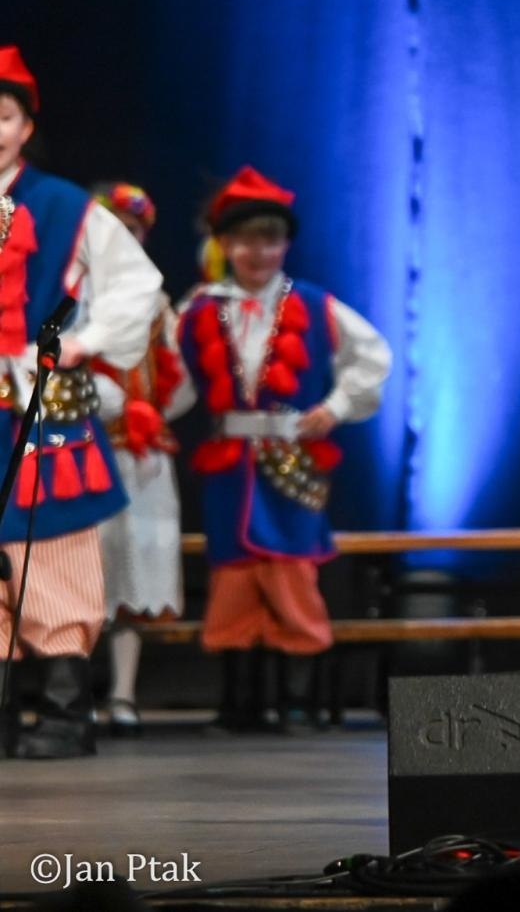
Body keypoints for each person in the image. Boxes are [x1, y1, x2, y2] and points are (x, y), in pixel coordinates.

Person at [175, 166, 390, 731]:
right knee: (234, 574)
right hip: (230, 465)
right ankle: (239, 700)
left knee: (291, 571)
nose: (258, 251)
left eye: (269, 238)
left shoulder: (316, 305)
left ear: (286, 243)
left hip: (293, 460)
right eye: (245, 238)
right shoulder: (198, 309)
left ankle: (294, 698)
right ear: (223, 243)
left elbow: (372, 358)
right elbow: (170, 381)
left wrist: (335, 409)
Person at [0, 47, 164, 759]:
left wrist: (78, 342)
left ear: (25, 125)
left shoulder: (67, 206)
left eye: (1, 116)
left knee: (57, 552)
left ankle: (69, 714)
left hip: (43, 407)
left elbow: (139, 286)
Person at [89, 183, 194, 737]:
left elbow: (179, 378)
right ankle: (73, 695)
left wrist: (148, 413)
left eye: (133, 230)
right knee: (86, 573)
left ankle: (122, 694)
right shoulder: (75, 295)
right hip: (85, 448)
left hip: (141, 455)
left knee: (134, 569)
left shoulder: (156, 302)